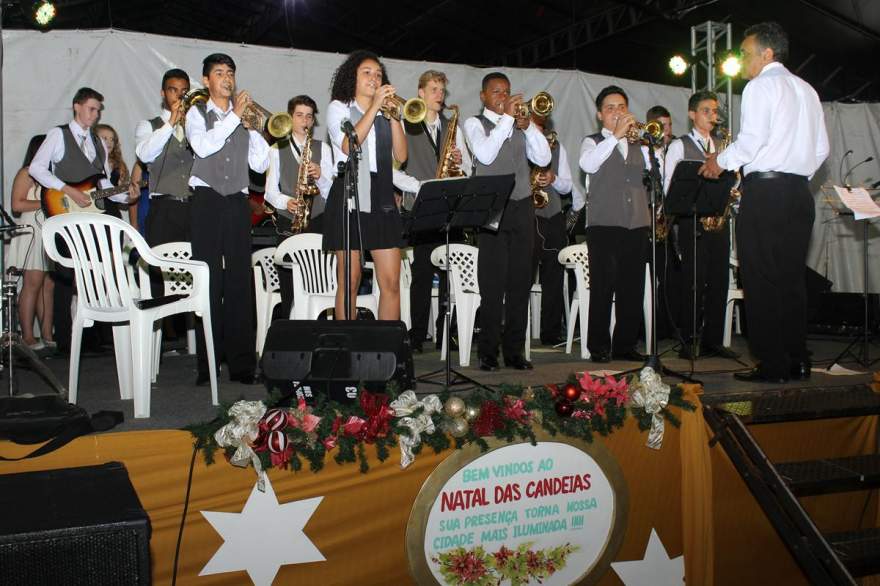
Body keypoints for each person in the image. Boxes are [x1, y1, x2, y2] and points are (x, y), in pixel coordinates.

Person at [699, 22, 829, 383]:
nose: (742, 60)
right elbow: (822, 150)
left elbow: (751, 141)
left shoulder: (760, 86)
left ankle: (772, 364)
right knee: (791, 280)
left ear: (766, 53)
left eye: (745, 52)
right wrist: (795, 172)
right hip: (799, 194)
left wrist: (718, 163)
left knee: (760, 279)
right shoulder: (807, 90)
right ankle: (797, 359)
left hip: (766, 193)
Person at [185, 53, 270, 385]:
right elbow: (203, 147)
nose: (227, 78)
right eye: (219, 73)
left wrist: (255, 129)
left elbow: (261, 165)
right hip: (206, 200)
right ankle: (207, 366)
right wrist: (235, 116)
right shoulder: (196, 113)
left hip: (236, 199)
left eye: (230, 73)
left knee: (238, 282)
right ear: (206, 81)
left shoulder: (241, 118)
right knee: (208, 281)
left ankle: (242, 365)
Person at [29, 87, 129, 354]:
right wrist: (66, 189)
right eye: (91, 109)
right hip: (65, 211)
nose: (95, 115)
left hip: (91, 218)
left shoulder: (98, 143)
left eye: (98, 111)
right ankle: (65, 340)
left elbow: (103, 183)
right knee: (66, 276)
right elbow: (37, 168)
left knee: (91, 274)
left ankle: (92, 340)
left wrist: (124, 196)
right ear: (77, 106)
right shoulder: (57, 135)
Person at [463, 72, 551, 371]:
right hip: (492, 207)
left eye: (507, 91)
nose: (503, 96)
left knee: (520, 283)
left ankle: (514, 351)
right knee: (492, 284)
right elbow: (485, 155)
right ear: (484, 96)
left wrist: (529, 128)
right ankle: (488, 352)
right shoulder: (475, 124)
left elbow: (543, 157)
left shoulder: (518, 125)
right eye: (496, 91)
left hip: (522, 206)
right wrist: (507, 121)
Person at [392, 70, 472, 353]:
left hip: (451, 209)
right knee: (423, 274)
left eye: (442, 90)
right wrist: (419, 186)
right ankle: (415, 337)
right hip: (421, 206)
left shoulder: (454, 127)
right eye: (434, 89)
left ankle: (445, 334)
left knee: (451, 276)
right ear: (421, 93)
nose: (439, 95)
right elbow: (393, 172)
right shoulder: (403, 124)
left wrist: (461, 164)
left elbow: (469, 171)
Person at [324, 50, 407, 320]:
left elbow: (402, 156)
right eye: (367, 72)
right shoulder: (339, 107)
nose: (374, 78)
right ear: (353, 77)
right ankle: (345, 350)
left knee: (391, 282)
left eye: (378, 74)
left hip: (381, 191)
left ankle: (387, 351)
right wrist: (374, 107)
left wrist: (394, 117)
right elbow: (349, 144)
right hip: (350, 187)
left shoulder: (386, 112)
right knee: (350, 279)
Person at [578, 85, 651, 363]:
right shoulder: (593, 141)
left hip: (636, 223)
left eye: (621, 107)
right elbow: (588, 165)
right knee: (602, 287)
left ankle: (625, 345)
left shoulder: (639, 145)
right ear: (600, 115)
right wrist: (615, 137)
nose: (617, 112)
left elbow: (655, 173)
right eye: (610, 108)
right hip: (604, 224)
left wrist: (648, 145)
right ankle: (599, 346)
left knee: (632, 288)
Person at [664, 91, 738, 360]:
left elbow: (735, 182)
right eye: (706, 110)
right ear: (692, 114)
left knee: (719, 281)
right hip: (692, 222)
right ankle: (688, 339)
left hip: (718, 223)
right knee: (693, 282)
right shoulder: (679, 146)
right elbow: (669, 185)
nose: (712, 116)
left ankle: (713, 341)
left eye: (715, 110)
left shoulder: (724, 146)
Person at [264, 94, 334, 316]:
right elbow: (269, 192)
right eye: (299, 115)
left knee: (319, 279)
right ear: (290, 118)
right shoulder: (276, 149)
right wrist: (287, 202)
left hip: (318, 219)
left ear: (313, 122)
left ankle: (320, 324)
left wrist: (321, 175)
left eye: (309, 117)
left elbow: (332, 191)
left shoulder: (323, 148)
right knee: (289, 281)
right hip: (289, 221)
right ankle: (290, 325)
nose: (304, 121)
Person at [529, 112, 580, 346]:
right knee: (521, 276)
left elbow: (568, 185)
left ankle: (550, 332)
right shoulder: (517, 140)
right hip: (526, 217)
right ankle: (517, 332)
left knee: (554, 276)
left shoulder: (556, 145)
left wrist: (553, 178)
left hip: (552, 217)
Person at [134, 68, 194, 246]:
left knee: (198, 269)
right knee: (162, 271)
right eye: (173, 90)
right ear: (163, 93)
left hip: (195, 206)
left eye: (184, 91)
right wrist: (171, 123)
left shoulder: (196, 127)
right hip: (164, 208)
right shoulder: (147, 125)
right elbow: (145, 156)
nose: (179, 96)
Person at [9, 135, 55, 352]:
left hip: (48, 230)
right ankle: (27, 335)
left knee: (49, 285)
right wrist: (46, 202)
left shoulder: (52, 176)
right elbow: (16, 205)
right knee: (32, 283)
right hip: (31, 230)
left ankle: (47, 334)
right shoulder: (27, 172)